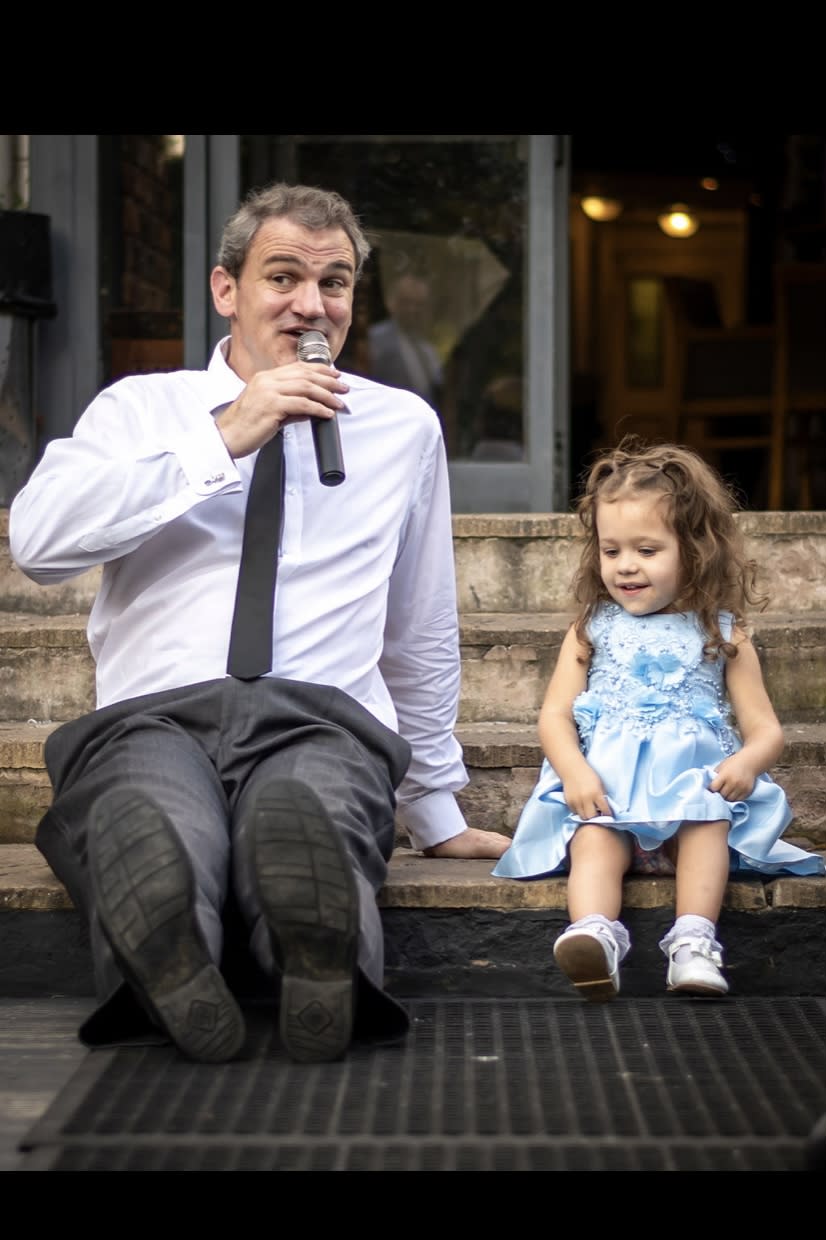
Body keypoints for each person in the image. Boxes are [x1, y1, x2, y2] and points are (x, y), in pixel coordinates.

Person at [9, 182, 509, 1066]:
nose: (312, 304)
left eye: (335, 283)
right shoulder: (139, 409)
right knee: (148, 815)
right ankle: (172, 951)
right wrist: (224, 436)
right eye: (283, 277)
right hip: (152, 718)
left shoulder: (401, 428)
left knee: (308, 807)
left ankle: (314, 958)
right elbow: (40, 542)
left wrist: (433, 804)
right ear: (225, 289)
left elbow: (419, 626)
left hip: (321, 717)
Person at [493, 437, 825, 1000]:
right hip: (609, 795)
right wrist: (575, 773)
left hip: (691, 794)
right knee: (594, 839)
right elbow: (554, 715)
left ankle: (693, 941)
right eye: (611, 550)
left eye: (647, 550)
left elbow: (766, 729)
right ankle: (595, 935)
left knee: (706, 821)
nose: (625, 565)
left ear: (695, 550)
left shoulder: (723, 633)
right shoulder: (591, 628)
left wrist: (747, 763)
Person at [366, 272, 443, 411]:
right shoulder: (376, 340)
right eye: (406, 302)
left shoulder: (426, 348)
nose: (412, 310)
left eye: (418, 304)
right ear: (392, 302)